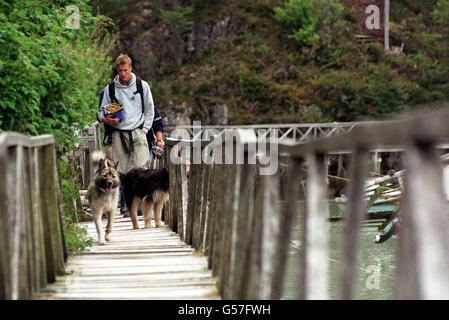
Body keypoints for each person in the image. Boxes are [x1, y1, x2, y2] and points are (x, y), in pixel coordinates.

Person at [97, 54, 155, 214]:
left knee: (141, 168)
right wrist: (106, 119)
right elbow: (101, 111)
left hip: (137, 130)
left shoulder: (141, 86)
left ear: (130, 68)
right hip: (118, 131)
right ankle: (125, 203)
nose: (123, 74)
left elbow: (150, 110)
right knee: (119, 170)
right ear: (117, 70)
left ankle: (142, 205)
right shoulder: (110, 88)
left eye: (125, 70)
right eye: (120, 71)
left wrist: (144, 130)